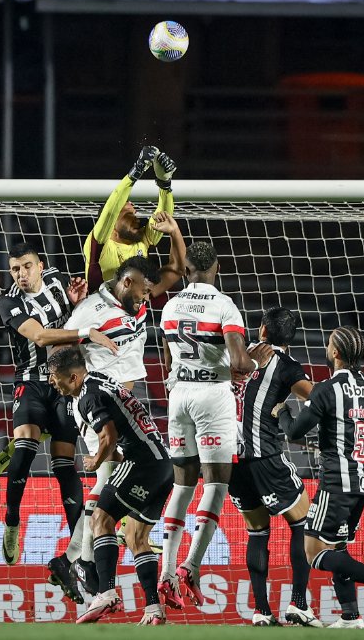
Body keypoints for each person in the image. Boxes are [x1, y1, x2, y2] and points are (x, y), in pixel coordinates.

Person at [0, 241, 117, 565]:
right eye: (15, 269)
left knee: (64, 464)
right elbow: (40, 336)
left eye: (26, 266)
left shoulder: (58, 280)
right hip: (31, 381)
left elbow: (66, 318)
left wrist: (74, 304)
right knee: (25, 444)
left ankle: (78, 556)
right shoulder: (8, 301)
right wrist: (88, 332)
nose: (21, 274)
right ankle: (12, 521)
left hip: (63, 386)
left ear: (40, 265)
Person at [277, 326, 364, 627]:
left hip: (336, 481)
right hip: (363, 480)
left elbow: (295, 431)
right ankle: (350, 616)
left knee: (312, 551)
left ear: (335, 352)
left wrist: (281, 411)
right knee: (337, 547)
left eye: (329, 344)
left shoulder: (327, 388)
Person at [158, 241, 255, 608]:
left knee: (182, 486)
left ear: (186, 271)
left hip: (178, 394)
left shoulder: (170, 305)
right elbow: (239, 362)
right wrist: (255, 362)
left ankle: (166, 572)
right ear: (217, 269)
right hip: (212, 395)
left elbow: (168, 355)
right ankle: (190, 565)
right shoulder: (223, 305)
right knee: (216, 483)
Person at [47, 348, 174, 626]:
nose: (51, 382)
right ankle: (153, 608)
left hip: (142, 463)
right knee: (135, 537)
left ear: (73, 376)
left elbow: (109, 436)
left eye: (55, 378)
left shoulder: (87, 397)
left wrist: (96, 459)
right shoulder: (101, 381)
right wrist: (109, 453)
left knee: (100, 520)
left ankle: (105, 593)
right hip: (163, 464)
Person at [230, 307, 319, 626]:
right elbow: (316, 397)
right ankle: (298, 604)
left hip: (231, 461)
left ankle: (261, 611)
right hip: (265, 455)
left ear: (262, 331)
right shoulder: (286, 365)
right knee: (304, 522)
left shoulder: (239, 352)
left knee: (257, 531)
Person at [84, 146, 177, 291]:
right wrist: (136, 170)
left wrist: (164, 184)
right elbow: (109, 212)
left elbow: (163, 218)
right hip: (103, 312)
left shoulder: (142, 242)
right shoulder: (100, 246)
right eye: (128, 216)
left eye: (135, 215)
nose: (136, 220)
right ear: (112, 224)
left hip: (135, 312)